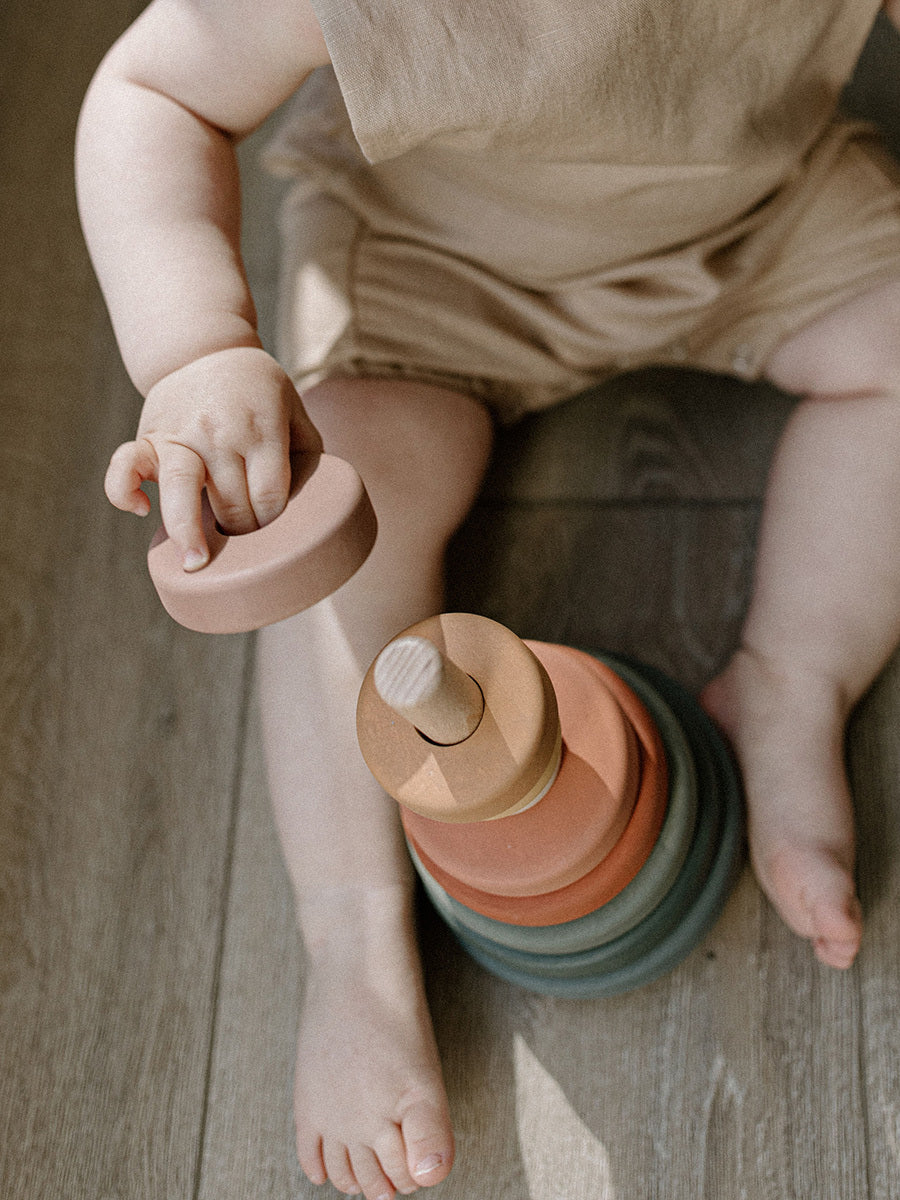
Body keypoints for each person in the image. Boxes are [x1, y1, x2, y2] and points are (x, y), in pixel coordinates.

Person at [76, 1, 900, 1196]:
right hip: (434, 270)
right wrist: (195, 350)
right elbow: (156, 91)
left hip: (751, 216)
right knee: (344, 491)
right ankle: (355, 947)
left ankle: (790, 684)